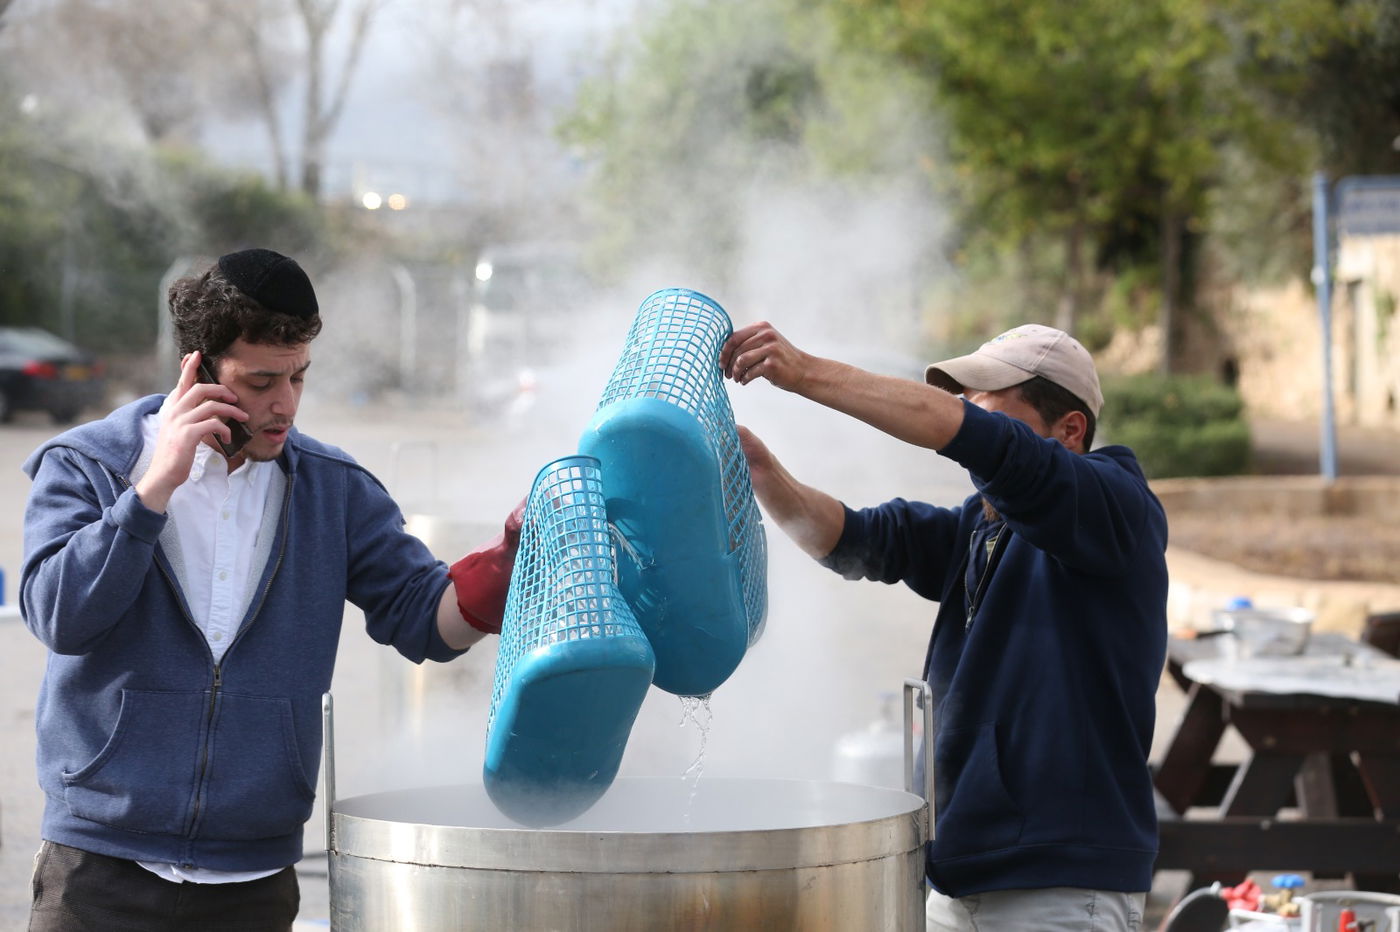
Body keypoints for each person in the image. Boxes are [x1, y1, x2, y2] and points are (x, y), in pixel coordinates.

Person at [20, 248, 521, 931]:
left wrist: (512, 556)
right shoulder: (88, 466)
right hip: (98, 872)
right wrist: (152, 491)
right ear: (196, 371)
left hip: (252, 886)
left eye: (298, 377)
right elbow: (58, 617)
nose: (284, 403)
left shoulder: (334, 489)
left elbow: (427, 624)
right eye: (260, 383)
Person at [720, 321, 1167, 932]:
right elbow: (856, 539)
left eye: (988, 400)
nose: (967, 411)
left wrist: (803, 374)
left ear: (1070, 430)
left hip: (1058, 889)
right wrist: (761, 469)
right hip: (959, 881)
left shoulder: (1116, 507)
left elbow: (970, 438)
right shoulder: (981, 526)